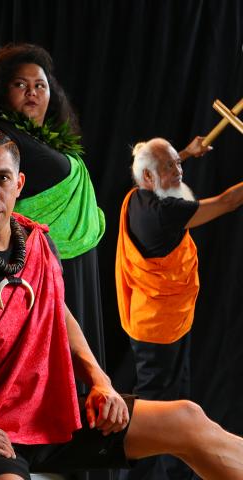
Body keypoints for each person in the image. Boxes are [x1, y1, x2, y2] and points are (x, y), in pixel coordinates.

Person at [0, 128, 243, 480]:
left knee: (189, 421)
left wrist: (100, 381)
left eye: (2, 178)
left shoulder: (38, 243)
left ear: (18, 184)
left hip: (47, 413)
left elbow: (55, 309)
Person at [0, 43, 107, 374]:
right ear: (0, 91)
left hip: (72, 259)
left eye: (40, 85)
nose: (32, 93)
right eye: (20, 84)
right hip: (36, 263)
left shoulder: (43, 139)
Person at [115, 137, 243, 480]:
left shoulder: (137, 197)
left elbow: (159, 167)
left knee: (177, 405)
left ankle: (176, 472)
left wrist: (186, 152)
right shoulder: (167, 212)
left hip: (158, 320)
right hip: (160, 330)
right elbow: (230, 201)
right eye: (169, 167)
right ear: (148, 178)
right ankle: (139, 475)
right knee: (155, 413)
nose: (179, 171)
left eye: (178, 163)